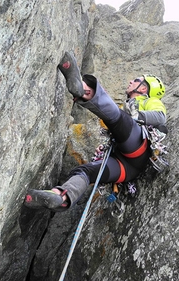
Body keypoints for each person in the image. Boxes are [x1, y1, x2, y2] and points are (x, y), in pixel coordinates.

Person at [24, 51, 166, 211]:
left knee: (118, 118)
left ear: (145, 88)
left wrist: (136, 115)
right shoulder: (128, 106)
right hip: (126, 168)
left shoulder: (149, 101)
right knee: (87, 171)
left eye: (137, 80)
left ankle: (83, 89)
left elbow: (160, 117)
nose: (131, 81)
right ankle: (60, 197)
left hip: (139, 146)